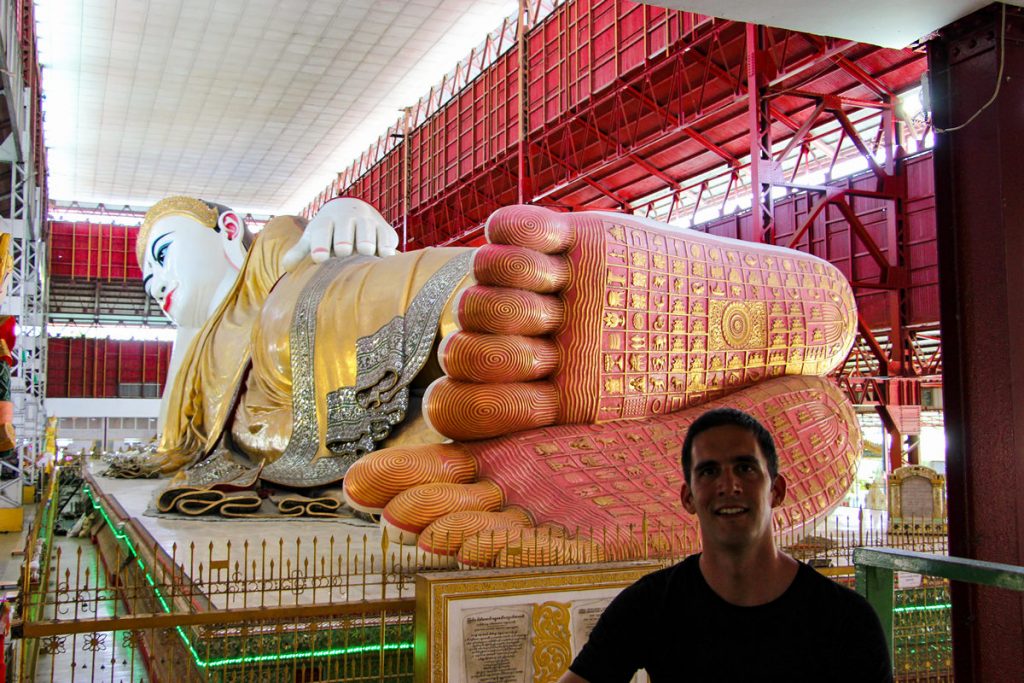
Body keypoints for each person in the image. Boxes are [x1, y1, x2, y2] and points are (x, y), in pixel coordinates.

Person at [134, 198, 865, 569]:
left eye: (164, 256)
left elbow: (297, 241)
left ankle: (550, 313)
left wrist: (343, 211)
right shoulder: (193, 357)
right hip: (301, 430)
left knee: (466, 308)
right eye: (145, 278)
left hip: (312, 315)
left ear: (226, 226)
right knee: (452, 428)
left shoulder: (263, 256)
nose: (157, 284)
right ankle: (565, 417)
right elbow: (181, 444)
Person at [560, 407, 892, 682]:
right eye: (708, 472)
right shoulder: (651, 605)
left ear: (776, 490)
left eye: (745, 468)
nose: (728, 485)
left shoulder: (844, 619)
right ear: (688, 497)